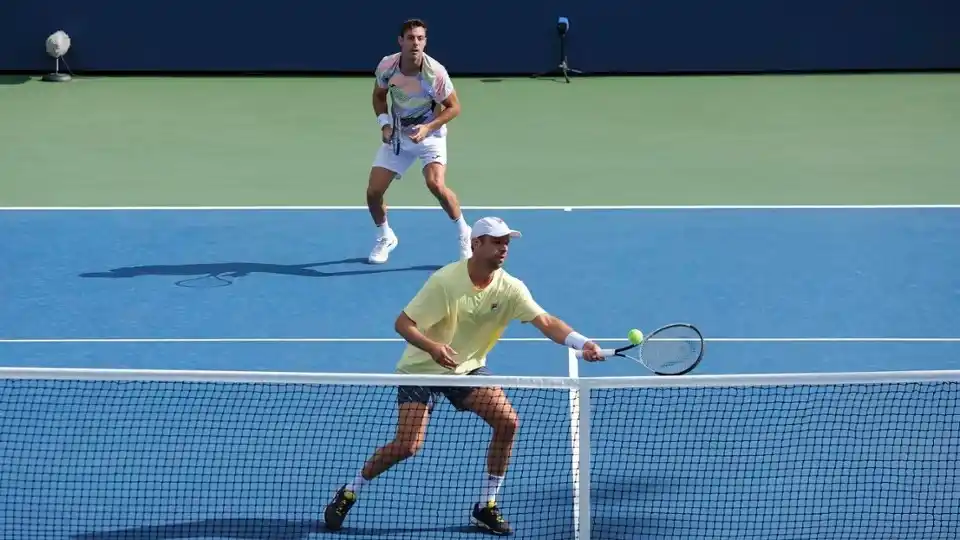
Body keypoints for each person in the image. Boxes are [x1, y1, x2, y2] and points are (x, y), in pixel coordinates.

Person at [323, 216, 605, 535]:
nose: (504, 249)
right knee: (408, 445)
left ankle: (486, 505)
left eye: (506, 243)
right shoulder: (445, 282)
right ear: (476, 244)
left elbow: (547, 321)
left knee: (508, 423)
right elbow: (403, 324)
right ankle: (350, 490)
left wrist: (582, 343)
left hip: (468, 368)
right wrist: (432, 348)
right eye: (496, 242)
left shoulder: (510, 288)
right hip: (422, 370)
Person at [366, 18, 471, 265]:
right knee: (373, 192)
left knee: (435, 184)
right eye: (411, 38)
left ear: (425, 42)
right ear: (401, 41)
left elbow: (454, 108)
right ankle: (385, 237)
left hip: (431, 135)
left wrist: (428, 127)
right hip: (399, 136)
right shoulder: (387, 66)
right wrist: (385, 124)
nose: (416, 43)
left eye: (420, 38)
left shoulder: (436, 73)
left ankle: (464, 233)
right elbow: (379, 96)